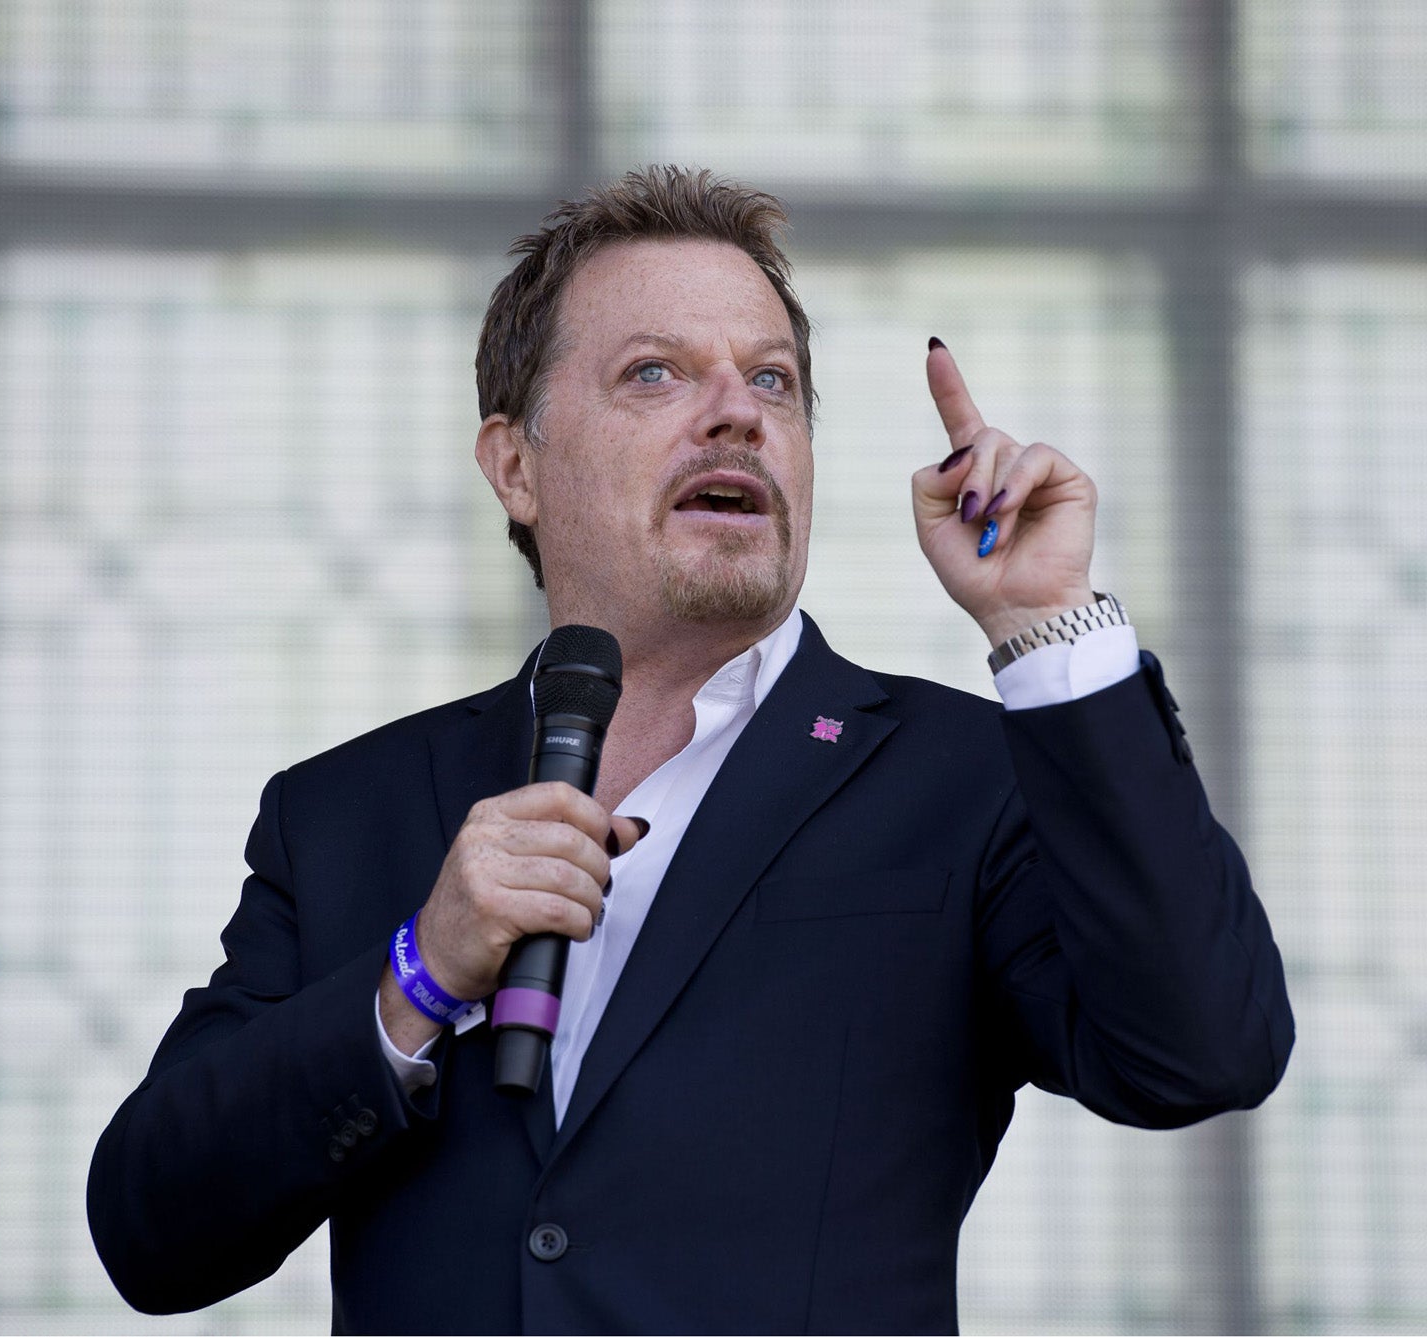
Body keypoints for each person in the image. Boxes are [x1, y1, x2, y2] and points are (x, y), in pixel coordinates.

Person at [87, 165, 1293, 1334]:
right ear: (515, 466)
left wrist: (1046, 630)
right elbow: (152, 1228)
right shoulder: (347, 812)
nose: (735, 411)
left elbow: (1203, 1049)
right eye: (654, 371)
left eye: (771, 381)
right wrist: (418, 975)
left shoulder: (962, 781)